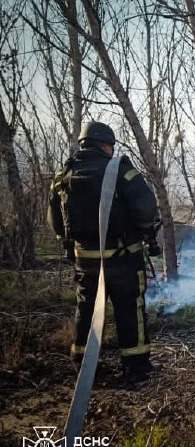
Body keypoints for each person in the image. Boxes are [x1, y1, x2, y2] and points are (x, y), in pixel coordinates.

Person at [48, 121, 160, 384]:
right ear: (104, 144)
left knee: (86, 311)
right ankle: (136, 368)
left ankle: (84, 366)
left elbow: (55, 220)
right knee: (130, 310)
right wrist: (144, 231)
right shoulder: (120, 170)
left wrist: (69, 246)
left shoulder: (63, 175)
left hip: (86, 261)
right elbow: (146, 209)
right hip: (123, 258)